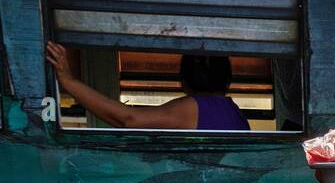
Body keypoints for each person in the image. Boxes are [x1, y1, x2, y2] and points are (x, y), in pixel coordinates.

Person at [46, 45, 250, 130]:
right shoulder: (233, 112)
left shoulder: (196, 107)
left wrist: (69, 81)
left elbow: (129, 119)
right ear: (228, 79)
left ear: (182, 80)